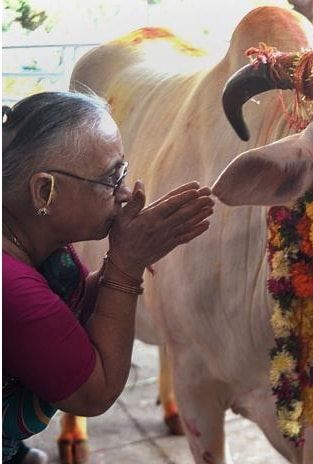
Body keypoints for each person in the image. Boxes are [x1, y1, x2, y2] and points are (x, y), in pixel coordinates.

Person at [2, 91, 214, 463]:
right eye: (111, 178)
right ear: (44, 191)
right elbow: (93, 392)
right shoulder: (10, 286)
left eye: (124, 173)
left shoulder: (29, 234)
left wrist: (129, 256)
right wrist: (125, 267)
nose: (126, 193)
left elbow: (65, 316)